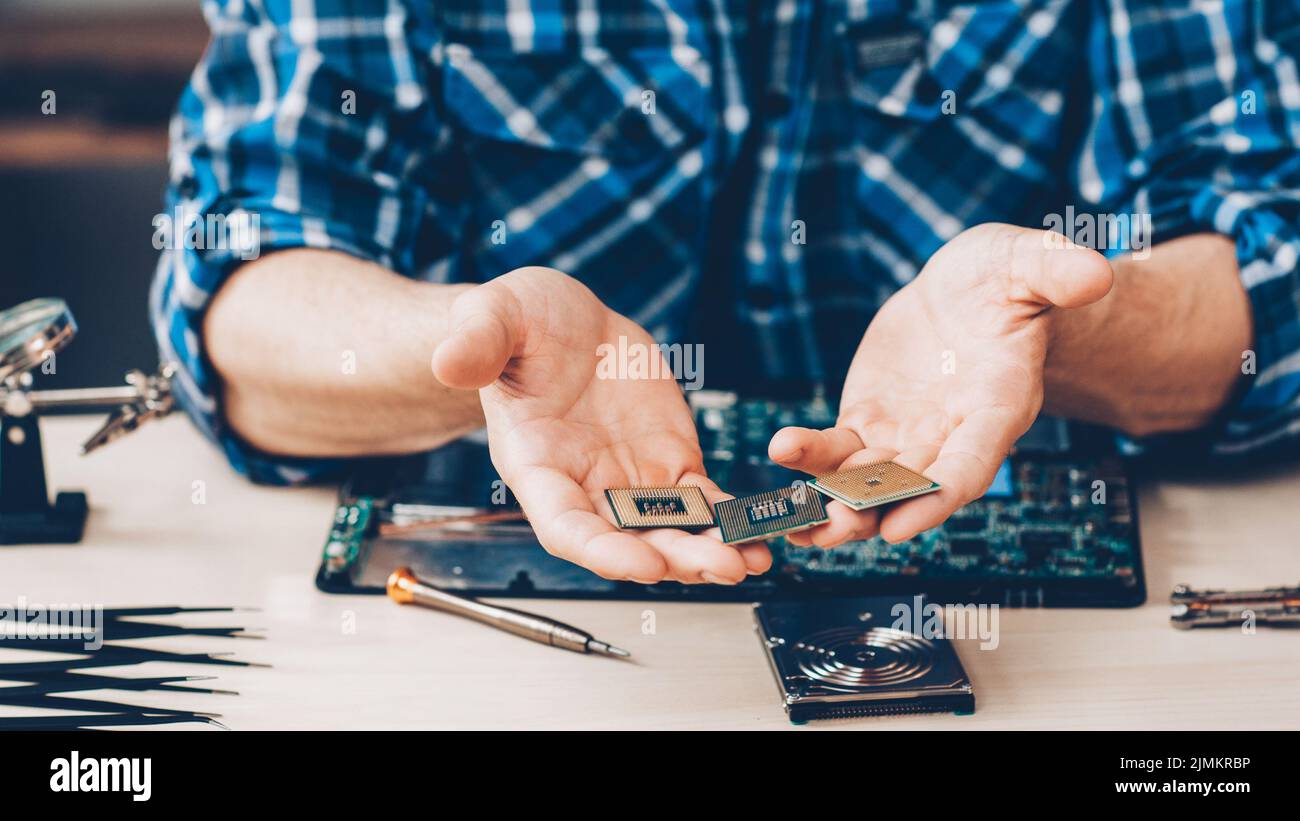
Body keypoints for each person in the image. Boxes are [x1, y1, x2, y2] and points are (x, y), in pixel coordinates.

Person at [152, 1, 1299, 585]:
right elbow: (243, 282)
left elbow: (1269, 260)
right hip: (494, 624)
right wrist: (465, 342)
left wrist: (1056, 316)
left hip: (1045, 635)